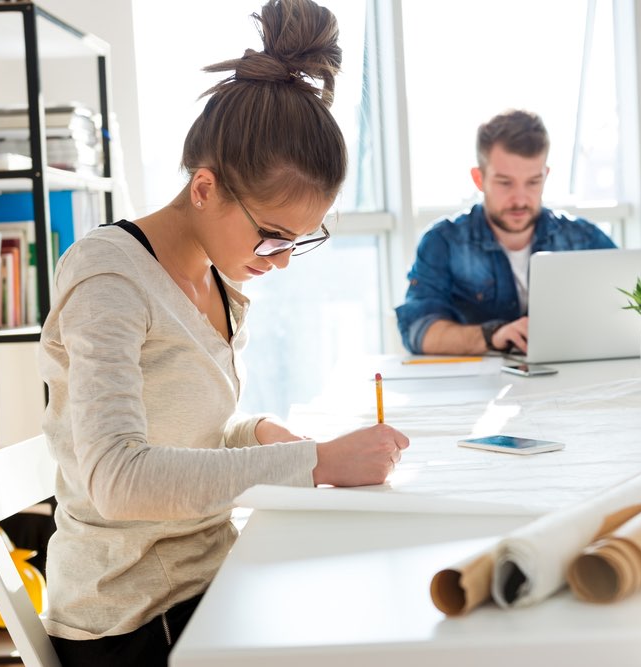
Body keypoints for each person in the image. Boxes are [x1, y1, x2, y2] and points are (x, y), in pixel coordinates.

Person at [37, 1, 409, 665]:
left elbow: (187, 442)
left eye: (302, 240)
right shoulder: (107, 277)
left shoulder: (222, 285)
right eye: (273, 235)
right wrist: (315, 462)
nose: (284, 259)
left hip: (210, 582)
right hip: (131, 619)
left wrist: (255, 431)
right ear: (204, 188)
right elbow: (118, 478)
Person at [395, 109, 616, 356]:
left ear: (545, 176)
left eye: (533, 181)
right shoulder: (443, 242)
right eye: (505, 182)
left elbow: (628, 311)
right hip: (479, 390)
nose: (520, 199)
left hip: (572, 386)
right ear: (479, 178)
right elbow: (417, 330)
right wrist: (492, 335)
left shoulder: (585, 239)